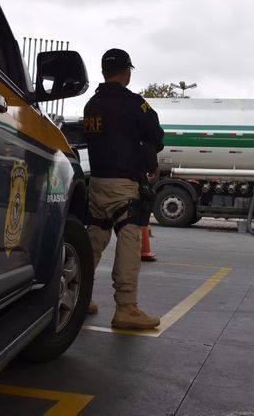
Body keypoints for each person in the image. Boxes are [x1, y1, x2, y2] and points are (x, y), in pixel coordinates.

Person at [83, 48, 164, 330]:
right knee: (129, 243)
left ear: (104, 72)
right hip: (123, 186)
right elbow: (156, 135)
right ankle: (126, 308)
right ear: (127, 71)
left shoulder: (91, 104)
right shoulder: (133, 103)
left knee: (93, 242)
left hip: (97, 183)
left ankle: (78, 297)